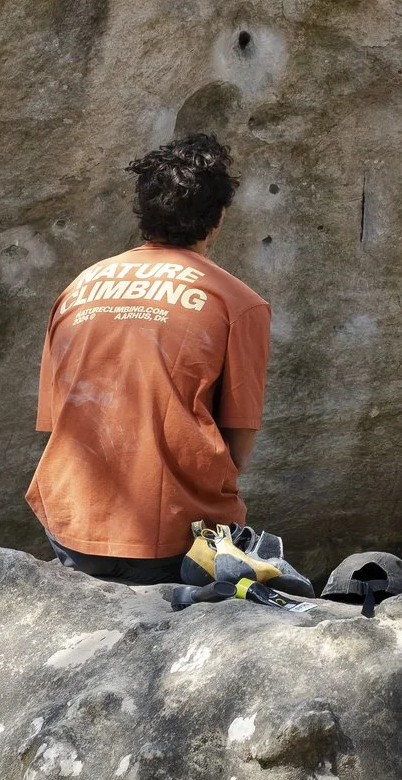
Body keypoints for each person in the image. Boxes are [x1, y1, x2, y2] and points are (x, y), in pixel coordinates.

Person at [26, 133, 270, 584]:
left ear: (144, 212)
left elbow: (57, 418)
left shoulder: (78, 289)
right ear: (217, 218)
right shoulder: (238, 303)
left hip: (71, 529)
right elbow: (239, 447)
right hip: (176, 543)